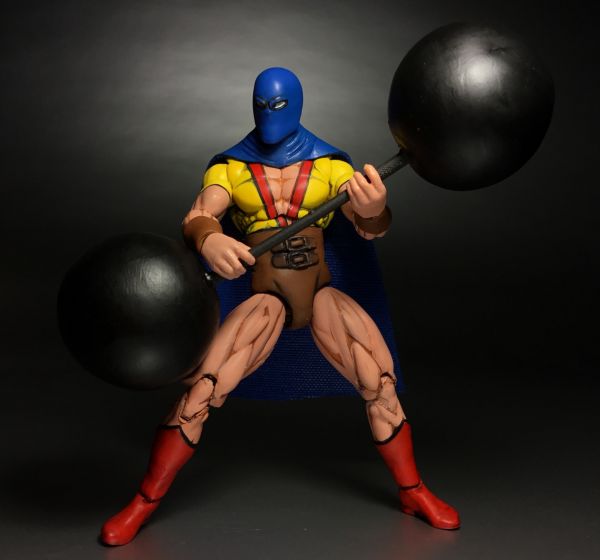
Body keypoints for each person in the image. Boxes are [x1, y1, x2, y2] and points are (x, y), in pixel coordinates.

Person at [100, 67, 459, 546]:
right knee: (202, 391)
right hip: (266, 300)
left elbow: (366, 224)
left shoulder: (330, 165)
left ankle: (413, 491)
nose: (269, 113)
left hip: (322, 294)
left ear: (296, 105)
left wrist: (374, 209)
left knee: (381, 383)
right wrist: (207, 239)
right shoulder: (232, 168)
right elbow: (201, 214)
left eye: (279, 105)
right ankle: (143, 502)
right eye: (262, 105)